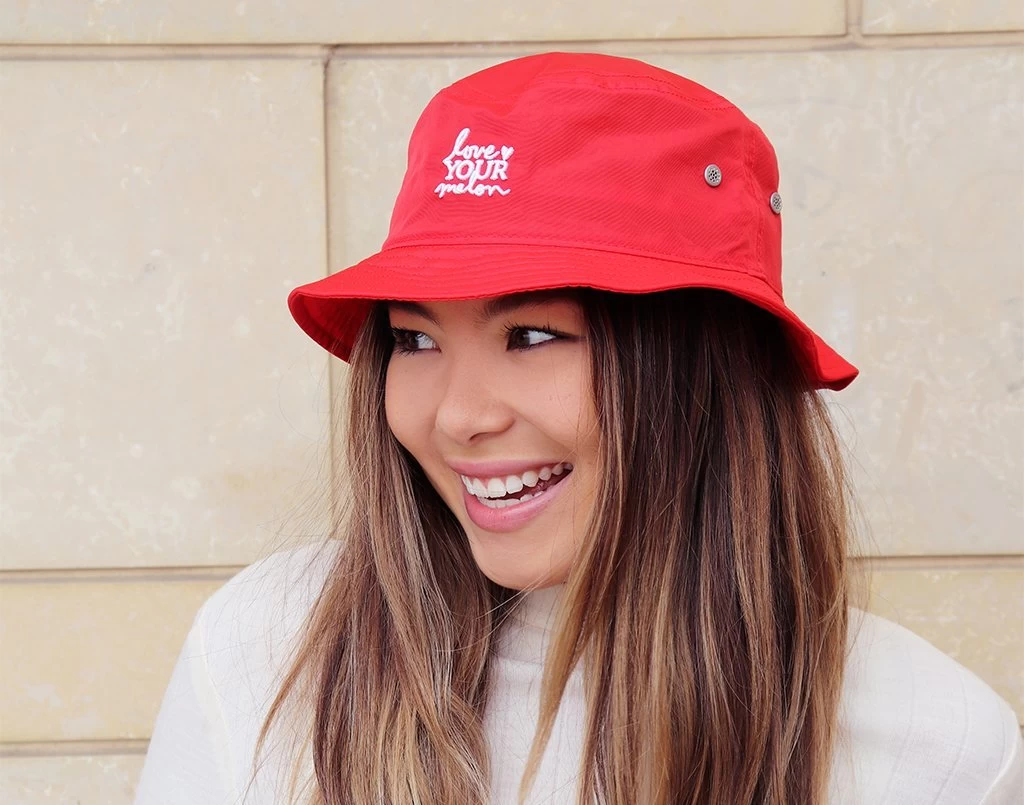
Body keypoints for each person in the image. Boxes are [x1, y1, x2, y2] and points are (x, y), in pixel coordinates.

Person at [134, 51, 1023, 805]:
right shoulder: (266, 651)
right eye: (415, 338)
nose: (458, 416)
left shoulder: (937, 748)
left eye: (530, 336)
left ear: (705, 373)